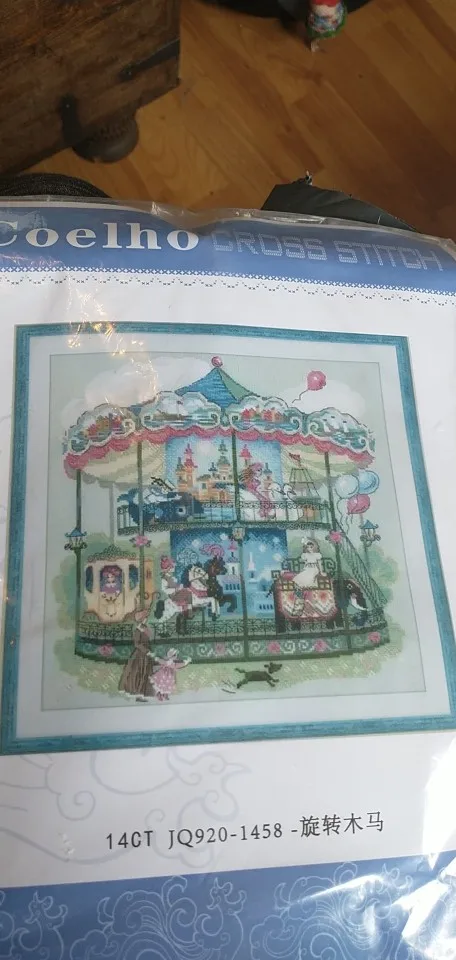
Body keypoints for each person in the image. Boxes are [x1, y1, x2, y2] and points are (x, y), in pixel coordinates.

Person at [118, 608, 154, 702]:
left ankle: (142, 694)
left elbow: (149, 637)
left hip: (146, 654)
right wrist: (146, 651)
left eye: (146, 617)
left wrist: (148, 651)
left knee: (145, 673)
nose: (146, 619)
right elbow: (137, 644)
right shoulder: (138, 630)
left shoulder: (145, 628)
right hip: (140, 654)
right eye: (145, 617)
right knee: (138, 673)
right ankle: (137, 693)